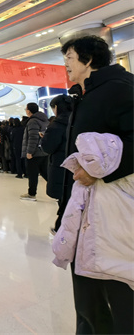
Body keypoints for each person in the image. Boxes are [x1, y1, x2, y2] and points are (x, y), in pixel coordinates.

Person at [61, 35, 133, 334]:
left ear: (88, 59)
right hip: (84, 212)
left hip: (111, 216)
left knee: (116, 296)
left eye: (69, 59)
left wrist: (100, 172)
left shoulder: (120, 88)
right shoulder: (86, 94)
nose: (66, 65)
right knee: (88, 298)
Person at [40, 94, 72, 234]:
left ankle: (62, 229)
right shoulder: (77, 120)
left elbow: (48, 147)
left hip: (60, 166)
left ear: (57, 107)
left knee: (63, 200)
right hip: (77, 166)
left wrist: (45, 138)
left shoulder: (57, 125)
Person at [20, 102, 49, 201]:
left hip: (34, 153)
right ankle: (58, 190)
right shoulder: (44, 120)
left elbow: (33, 138)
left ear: (29, 111)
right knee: (45, 173)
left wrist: (29, 152)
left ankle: (31, 194)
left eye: (26, 109)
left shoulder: (32, 121)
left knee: (32, 174)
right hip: (43, 151)